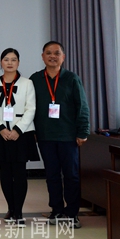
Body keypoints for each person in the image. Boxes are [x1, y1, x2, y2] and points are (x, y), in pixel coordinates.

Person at [30, 41, 89, 229]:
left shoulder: (71, 78)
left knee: (71, 175)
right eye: (48, 53)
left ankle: (72, 213)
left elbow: (82, 106)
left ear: (63, 57)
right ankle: (56, 210)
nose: (52, 56)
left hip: (68, 136)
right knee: (52, 175)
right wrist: (32, 131)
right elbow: (29, 108)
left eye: (56, 53)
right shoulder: (35, 79)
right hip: (45, 136)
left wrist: (83, 131)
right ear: (42, 57)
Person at [0, 48, 39, 227]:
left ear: (18, 63)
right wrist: (0, 128)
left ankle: (19, 212)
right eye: (6, 59)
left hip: (21, 134)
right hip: (1, 133)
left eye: (13, 59)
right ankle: (11, 208)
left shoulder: (27, 83)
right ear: (1, 62)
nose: (9, 62)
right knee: (5, 173)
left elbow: (31, 108)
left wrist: (17, 129)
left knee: (20, 173)